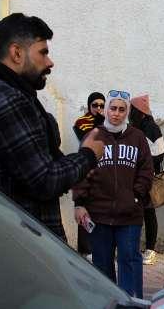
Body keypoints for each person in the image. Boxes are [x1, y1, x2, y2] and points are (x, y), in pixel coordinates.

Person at [0, 13, 104, 239]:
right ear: (17, 53)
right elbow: (45, 181)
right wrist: (89, 155)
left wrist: (73, 170)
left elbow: (26, 168)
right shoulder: (9, 100)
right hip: (20, 243)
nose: (50, 62)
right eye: (43, 52)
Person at [73, 90, 153, 298]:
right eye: (113, 108)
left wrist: (136, 196)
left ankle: (132, 302)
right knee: (102, 264)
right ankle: (108, 303)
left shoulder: (137, 137)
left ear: (127, 112)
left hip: (130, 214)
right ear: (106, 109)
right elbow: (82, 171)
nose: (116, 113)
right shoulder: (93, 136)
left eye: (121, 109)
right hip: (98, 214)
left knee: (129, 260)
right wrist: (79, 203)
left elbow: (146, 171)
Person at [129, 94, 164, 265]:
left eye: (132, 110)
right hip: (133, 178)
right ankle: (133, 247)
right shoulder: (133, 128)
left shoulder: (152, 128)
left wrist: (141, 161)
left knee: (149, 213)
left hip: (147, 178)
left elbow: (159, 154)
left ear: (139, 112)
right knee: (135, 213)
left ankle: (150, 249)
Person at [72, 92, 106, 256]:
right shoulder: (81, 122)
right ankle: (85, 249)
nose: (98, 108)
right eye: (95, 105)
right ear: (89, 105)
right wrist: (99, 123)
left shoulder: (108, 122)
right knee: (84, 207)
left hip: (103, 169)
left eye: (102, 105)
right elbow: (87, 139)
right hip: (87, 167)